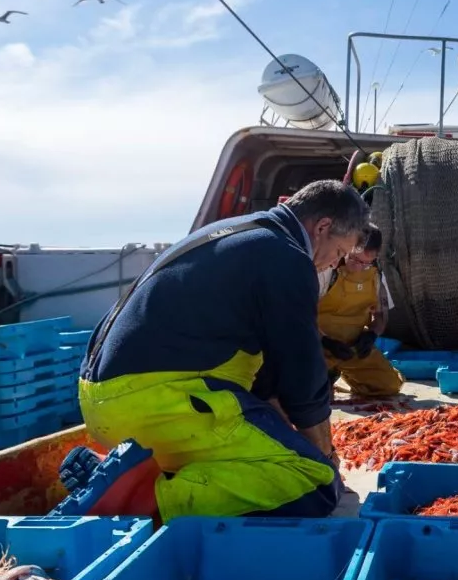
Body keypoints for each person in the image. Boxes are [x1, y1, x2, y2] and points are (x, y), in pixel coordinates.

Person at [77, 179, 370, 521]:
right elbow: (302, 377)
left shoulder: (244, 235)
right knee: (314, 482)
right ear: (322, 227)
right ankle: (140, 497)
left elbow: (268, 380)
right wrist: (324, 458)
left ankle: (123, 473)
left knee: (265, 447)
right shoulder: (287, 258)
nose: (333, 264)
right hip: (157, 402)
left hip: (103, 400)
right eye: (338, 253)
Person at [317, 224, 404, 398]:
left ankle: (339, 372)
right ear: (347, 247)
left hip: (352, 346)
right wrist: (326, 342)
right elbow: (304, 314)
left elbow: (381, 315)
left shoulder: (376, 274)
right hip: (318, 344)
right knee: (314, 396)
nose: (359, 267)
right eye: (355, 259)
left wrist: (371, 335)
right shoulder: (327, 267)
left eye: (366, 263)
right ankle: (327, 374)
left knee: (389, 385)